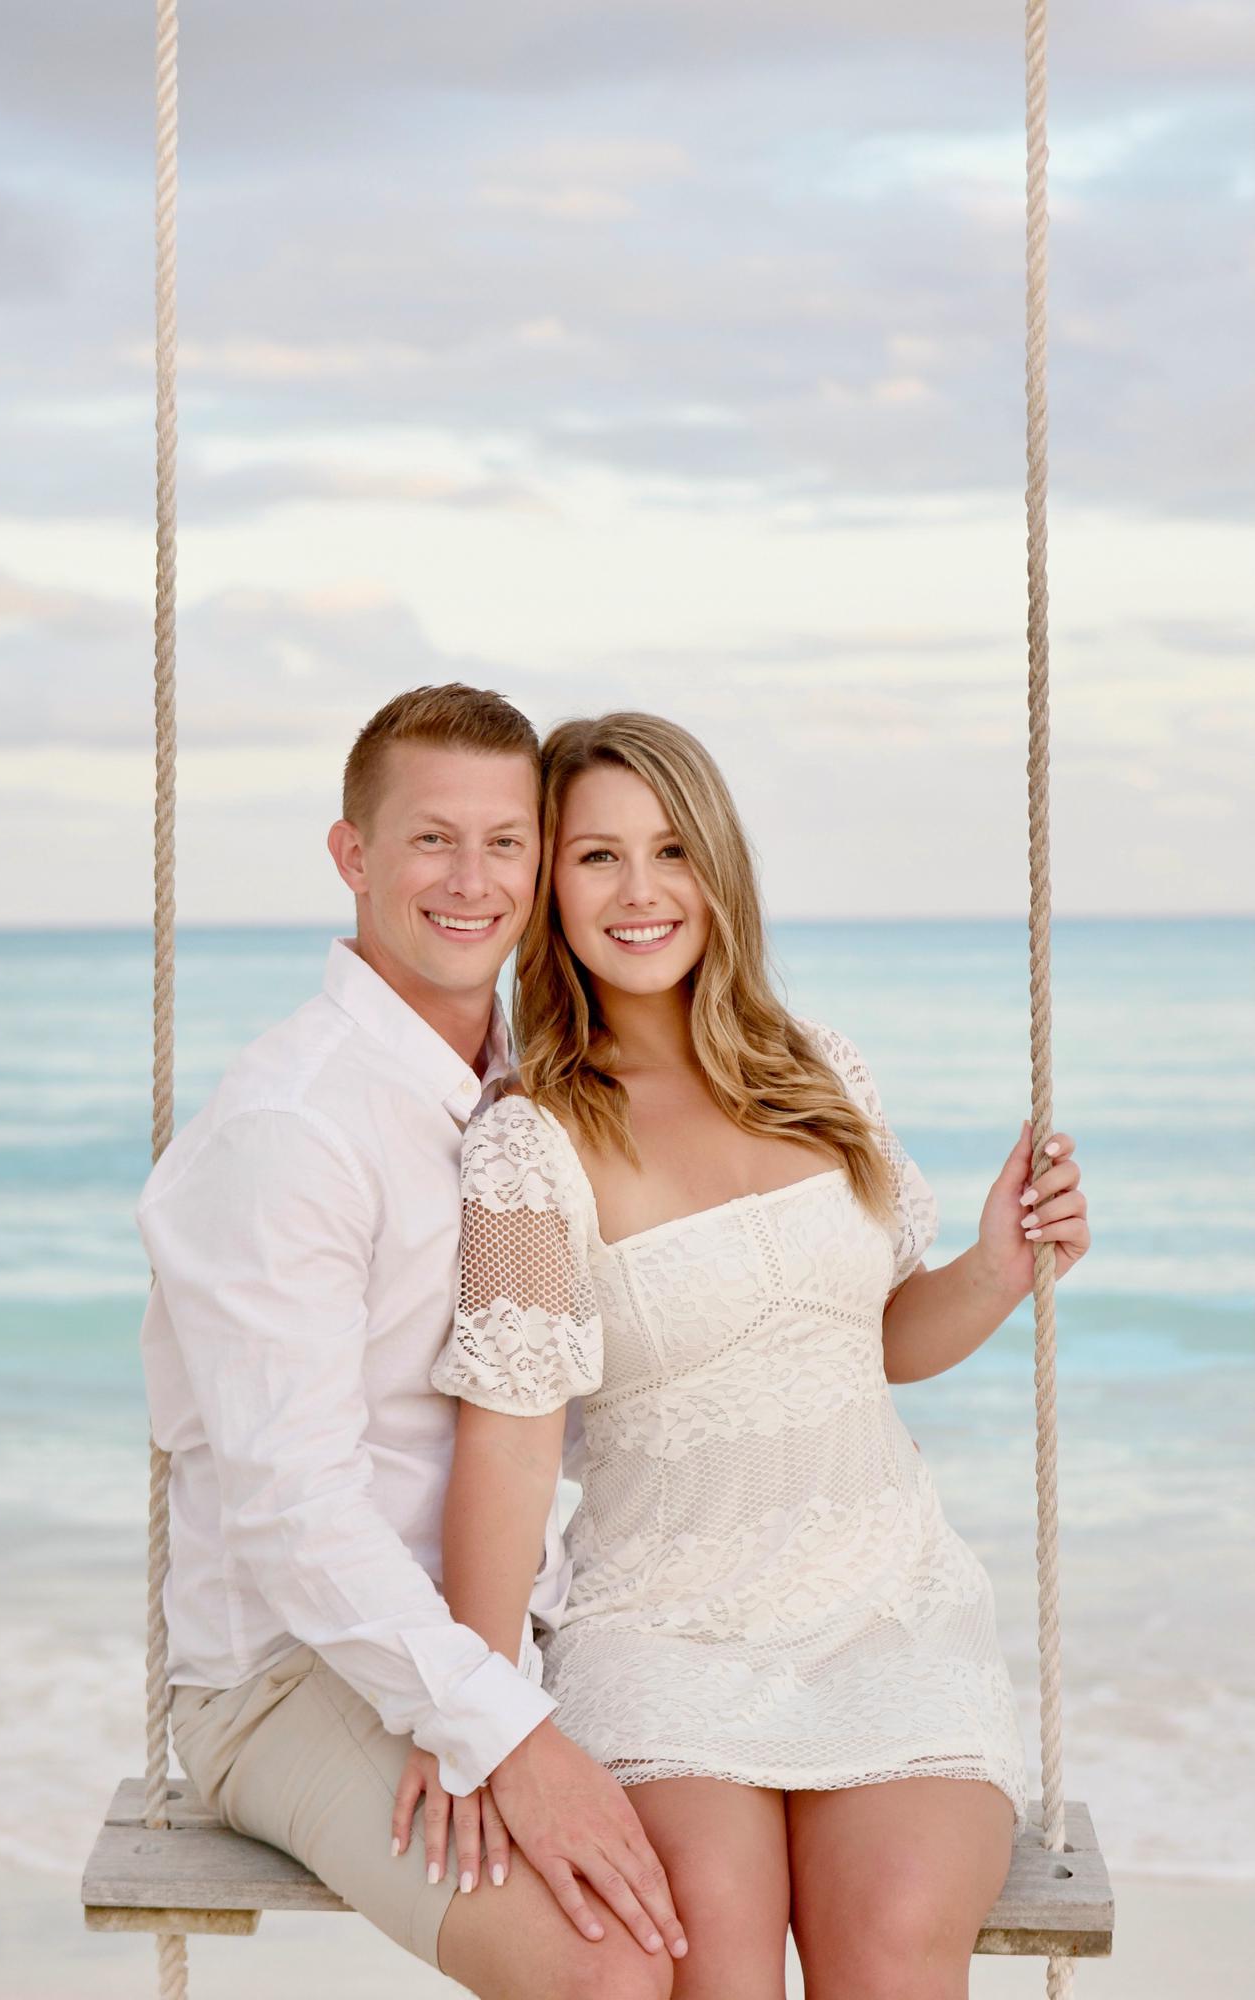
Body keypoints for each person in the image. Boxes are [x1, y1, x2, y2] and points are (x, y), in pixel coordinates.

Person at [426, 710, 1093, 2000]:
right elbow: (506, 1456)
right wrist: (482, 1717)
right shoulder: (530, 1138)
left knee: (893, 1943)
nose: (641, 891)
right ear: (550, 887)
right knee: (710, 1949)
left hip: (890, 1610)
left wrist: (999, 1267)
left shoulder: (818, 1073)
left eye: (672, 850)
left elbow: (873, 1342)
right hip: (660, 1634)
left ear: (719, 866)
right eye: (597, 856)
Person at [137, 684, 687, 2000]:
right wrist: (502, 1732)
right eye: (432, 839)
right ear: (353, 855)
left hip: (502, 1630)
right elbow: (294, 1513)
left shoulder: (531, 1083)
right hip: (293, 1669)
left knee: (722, 1892)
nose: (471, 880)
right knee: (609, 1965)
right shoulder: (294, 1127)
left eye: (505, 842)